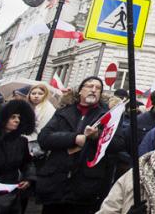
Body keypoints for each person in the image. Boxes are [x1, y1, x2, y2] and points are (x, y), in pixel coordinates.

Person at [36, 76, 123, 214]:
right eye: (89, 86)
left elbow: (118, 144)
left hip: (86, 187)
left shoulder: (107, 116)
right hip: (55, 184)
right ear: (80, 91)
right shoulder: (64, 111)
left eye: (98, 88)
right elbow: (44, 139)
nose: (93, 90)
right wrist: (74, 138)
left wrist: (96, 136)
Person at [24, 84, 56, 158]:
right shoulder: (30, 107)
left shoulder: (48, 108)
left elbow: (42, 128)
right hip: (28, 141)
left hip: (37, 143)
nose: (36, 96)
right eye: (33, 93)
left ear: (45, 95)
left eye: (40, 94)